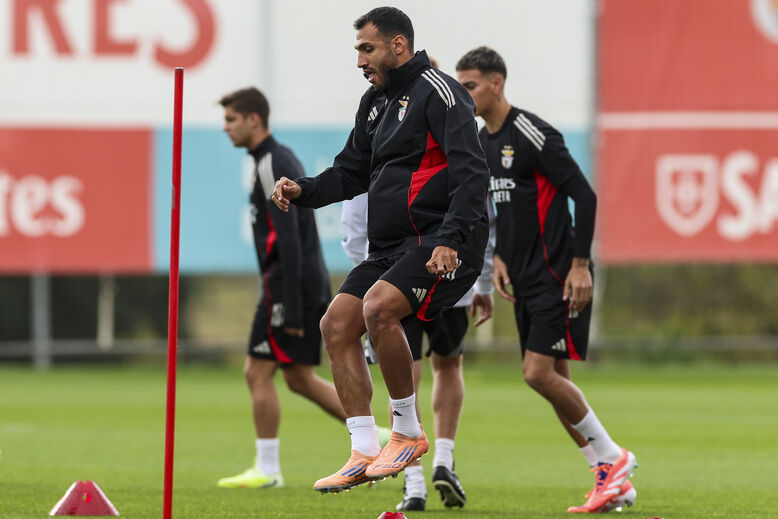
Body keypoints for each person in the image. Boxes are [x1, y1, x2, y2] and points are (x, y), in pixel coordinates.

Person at [271, 6, 491, 495]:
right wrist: (303, 190)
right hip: (391, 247)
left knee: (378, 308)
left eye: (366, 49)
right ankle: (363, 448)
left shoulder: (440, 91)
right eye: (357, 51)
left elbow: (472, 171)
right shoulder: (374, 102)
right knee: (336, 324)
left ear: (398, 45)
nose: (359, 61)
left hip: (442, 242)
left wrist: (452, 238)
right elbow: (350, 172)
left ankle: (408, 433)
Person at [455, 47, 638, 514]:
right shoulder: (481, 140)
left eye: (471, 84)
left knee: (536, 374)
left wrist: (580, 264)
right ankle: (609, 478)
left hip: (558, 274)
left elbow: (585, 195)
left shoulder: (532, 133)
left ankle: (615, 459)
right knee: (556, 379)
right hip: (522, 278)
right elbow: (495, 211)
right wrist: (495, 259)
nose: (464, 93)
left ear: (496, 83)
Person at [216, 87, 355, 489]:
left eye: (231, 119)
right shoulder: (272, 159)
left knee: (256, 372)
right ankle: (374, 435)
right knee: (298, 378)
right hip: (294, 285)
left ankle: (267, 470)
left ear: (253, 120)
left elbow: (290, 239)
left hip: (287, 287)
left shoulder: (271, 163)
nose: (226, 128)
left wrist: (290, 306)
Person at [340, 192, 495, 510]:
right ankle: (444, 459)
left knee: (402, 374)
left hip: (393, 276)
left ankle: (414, 485)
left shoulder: (379, 147)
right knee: (449, 365)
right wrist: (484, 281)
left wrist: (368, 276)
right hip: (452, 273)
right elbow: (481, 214)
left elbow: (353, 217)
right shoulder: (462, 147)